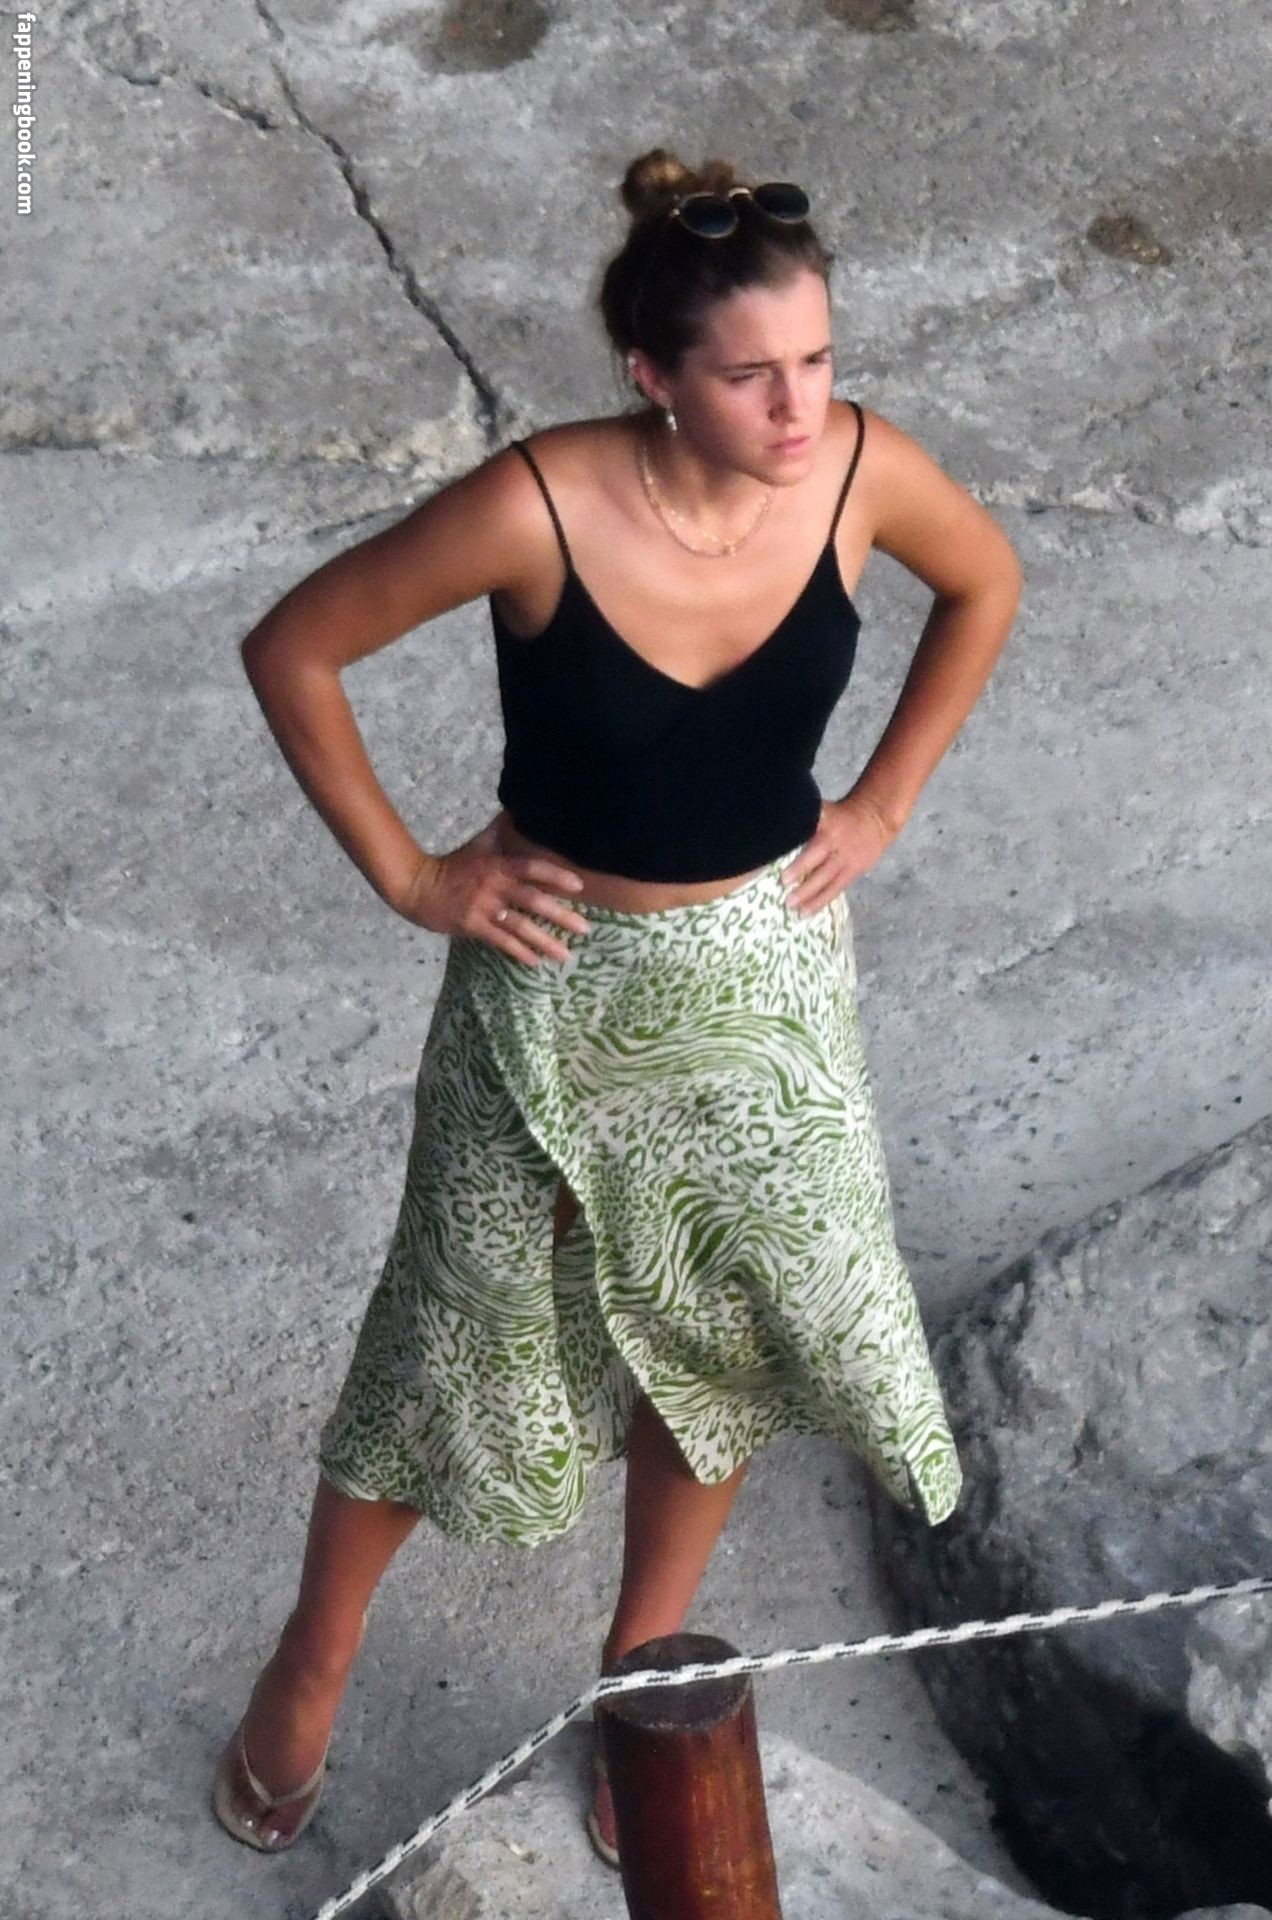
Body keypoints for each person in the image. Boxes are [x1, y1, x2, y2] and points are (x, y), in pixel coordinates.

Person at [211, 146, 1021, 1863]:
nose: (798, 407)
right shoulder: (538, 507)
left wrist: (884, 802)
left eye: (817, 359)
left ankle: (638, 1672)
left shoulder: (861, 468)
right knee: (451, 1330)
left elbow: (986, 582)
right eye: (750, 375)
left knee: (721, 1338)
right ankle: (314, 1659)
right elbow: (295, 648)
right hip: (548, 984)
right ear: (653, 375)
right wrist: (414, 876)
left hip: (763, 990)